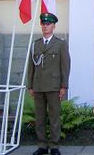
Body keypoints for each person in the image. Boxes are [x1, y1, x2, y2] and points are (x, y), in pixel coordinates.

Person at [27, 13, 71, 155]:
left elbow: (65, 66)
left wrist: (64, 86)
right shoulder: (35, 44)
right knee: (39, 118)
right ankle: (42, 145)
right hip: (38, 86)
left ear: (53, 26)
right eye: (43, 24)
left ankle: (54, 146)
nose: (45, 26)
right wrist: (30, 86)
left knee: (54, 117)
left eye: (48, 24)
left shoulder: (60, 44)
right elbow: (31, 67)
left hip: (54, 87)